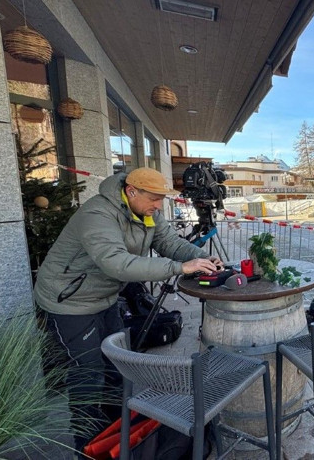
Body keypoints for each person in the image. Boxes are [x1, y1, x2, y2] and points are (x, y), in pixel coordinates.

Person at [33, 168, 222, 452]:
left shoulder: (146, 212)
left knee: (115, 368)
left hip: (104, 299)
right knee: (88, 374)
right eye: (154, 199)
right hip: (68, 303)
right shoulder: (97, 215)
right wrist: (180, 268)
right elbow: (116, 263)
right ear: (131, 191)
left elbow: (169, 242)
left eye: (161, 200)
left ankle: (115, 438)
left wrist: (202, 258)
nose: (159, 206)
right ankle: (85, 446)